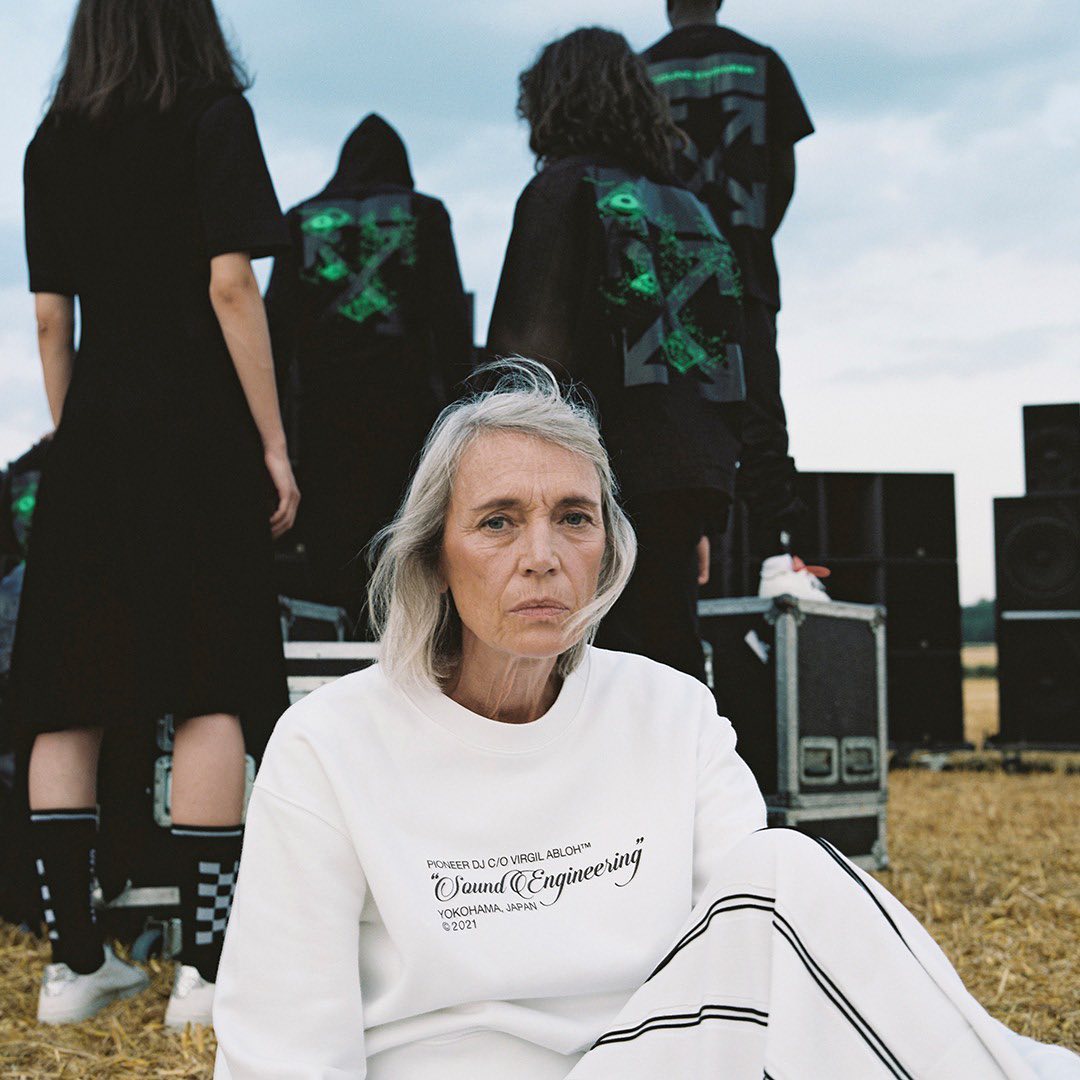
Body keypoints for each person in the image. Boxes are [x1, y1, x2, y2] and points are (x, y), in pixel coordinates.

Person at [211, 360, 1077, 1079]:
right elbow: (283, 1047)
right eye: (499, 522)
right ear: (436, 555)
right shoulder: (331, 743)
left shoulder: (670, 711)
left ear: (608, 547)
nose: (542, 557)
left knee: (785, 871)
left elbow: (765, 942)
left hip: (652, 1057)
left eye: (574, 519)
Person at [12, 0, 297, 1028]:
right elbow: (232, 288)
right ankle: (203, 977)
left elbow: (51, 319)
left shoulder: (51, 141)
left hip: (92, 437)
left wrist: (78, 439)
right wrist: (272, 442)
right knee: (209, 684)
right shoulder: (214, 115)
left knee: (67, 695)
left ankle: (73, 969)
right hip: (201, 435)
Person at [488, 28, 747, 681]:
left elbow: (526, 367)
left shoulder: (561, 190)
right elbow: (718, 361)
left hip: (597, 478)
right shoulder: (692, 208)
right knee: (666, 674)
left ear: (553, 102)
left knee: (584, 674)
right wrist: (697, 514)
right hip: (686, 476)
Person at [644, 0, 825, 599]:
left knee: (670, 419)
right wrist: (748, 236)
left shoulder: (639, 71)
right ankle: (779, 559)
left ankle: (666, 565)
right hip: (744, 271)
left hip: (663, 281)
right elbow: (784, 174)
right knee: (760, 417)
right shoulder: (762, 61)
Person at [265, 114, 472, 634]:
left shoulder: (300, 220)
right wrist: (468, 422)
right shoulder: (425, 214)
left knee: (338, 564)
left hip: (323, 424)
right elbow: (451, 324)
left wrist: (274, 439)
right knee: (410, 559)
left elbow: (275, 337)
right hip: (409, 421)